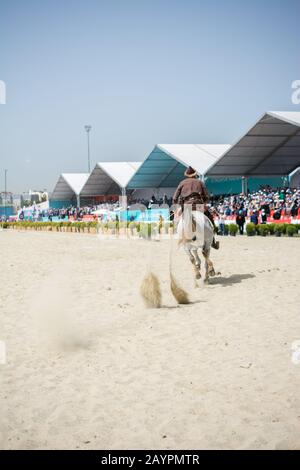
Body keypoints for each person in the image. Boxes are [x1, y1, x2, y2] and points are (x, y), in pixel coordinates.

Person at [173, 166, 219, 249]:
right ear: (195, 175)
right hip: (199, 206)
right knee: (209, 217)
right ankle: (213, 240)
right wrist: (204, 202)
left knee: (176, 220)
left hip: (186, 207)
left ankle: (180, 236)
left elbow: (174, 198)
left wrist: (178, 206)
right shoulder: (200, 182)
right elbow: (207, 196)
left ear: (187, 175)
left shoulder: (182, 183)